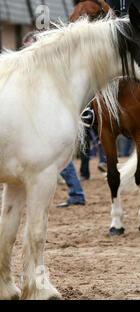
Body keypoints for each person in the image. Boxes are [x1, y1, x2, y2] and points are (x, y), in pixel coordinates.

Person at [21, 31, 86, 208]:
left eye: (32, 46)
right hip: (34, 119)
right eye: (27, 47)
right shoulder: (29, 67)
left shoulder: (50, 67)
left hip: (48, 119)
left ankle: (77, 193)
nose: (30, 51)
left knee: (55, 156)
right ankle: (76, 193)